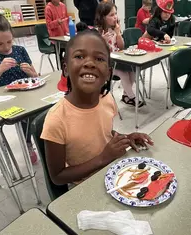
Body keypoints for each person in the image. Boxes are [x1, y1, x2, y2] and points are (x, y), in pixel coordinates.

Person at [41, 30, 153, 185]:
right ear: (65, 69)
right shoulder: (56, 120)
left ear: (108, 73)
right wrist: (103, 158)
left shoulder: (106, 99)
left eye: (99, 59)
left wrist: (125, 138)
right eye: (79, 56)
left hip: (111, 173)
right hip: (83, 187)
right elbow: (57, 177)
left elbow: (102, 133)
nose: (89, 63)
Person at [0, 9, 38, 163]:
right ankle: (27, 142)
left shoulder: (20, 50)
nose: (5, 47)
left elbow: (36, 76)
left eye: (9, 41)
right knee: (24, 115)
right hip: (3, 100)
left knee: (40, 113)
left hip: (26, 94)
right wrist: (0, 69)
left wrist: (32, 73)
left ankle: (35, 140)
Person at [95, 1, 143, 107]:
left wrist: (118, 34)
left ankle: (126, 96)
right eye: (111, 15)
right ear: (103, 17)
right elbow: (97, 54)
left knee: (133, 71)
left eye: (115, 13)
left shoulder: (115, 29)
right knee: (124, 74)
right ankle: (132, 97)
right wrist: (102, 41)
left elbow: (121, 47)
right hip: (106, 64)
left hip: (119, 61)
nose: (115, 17)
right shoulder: (98, 33)